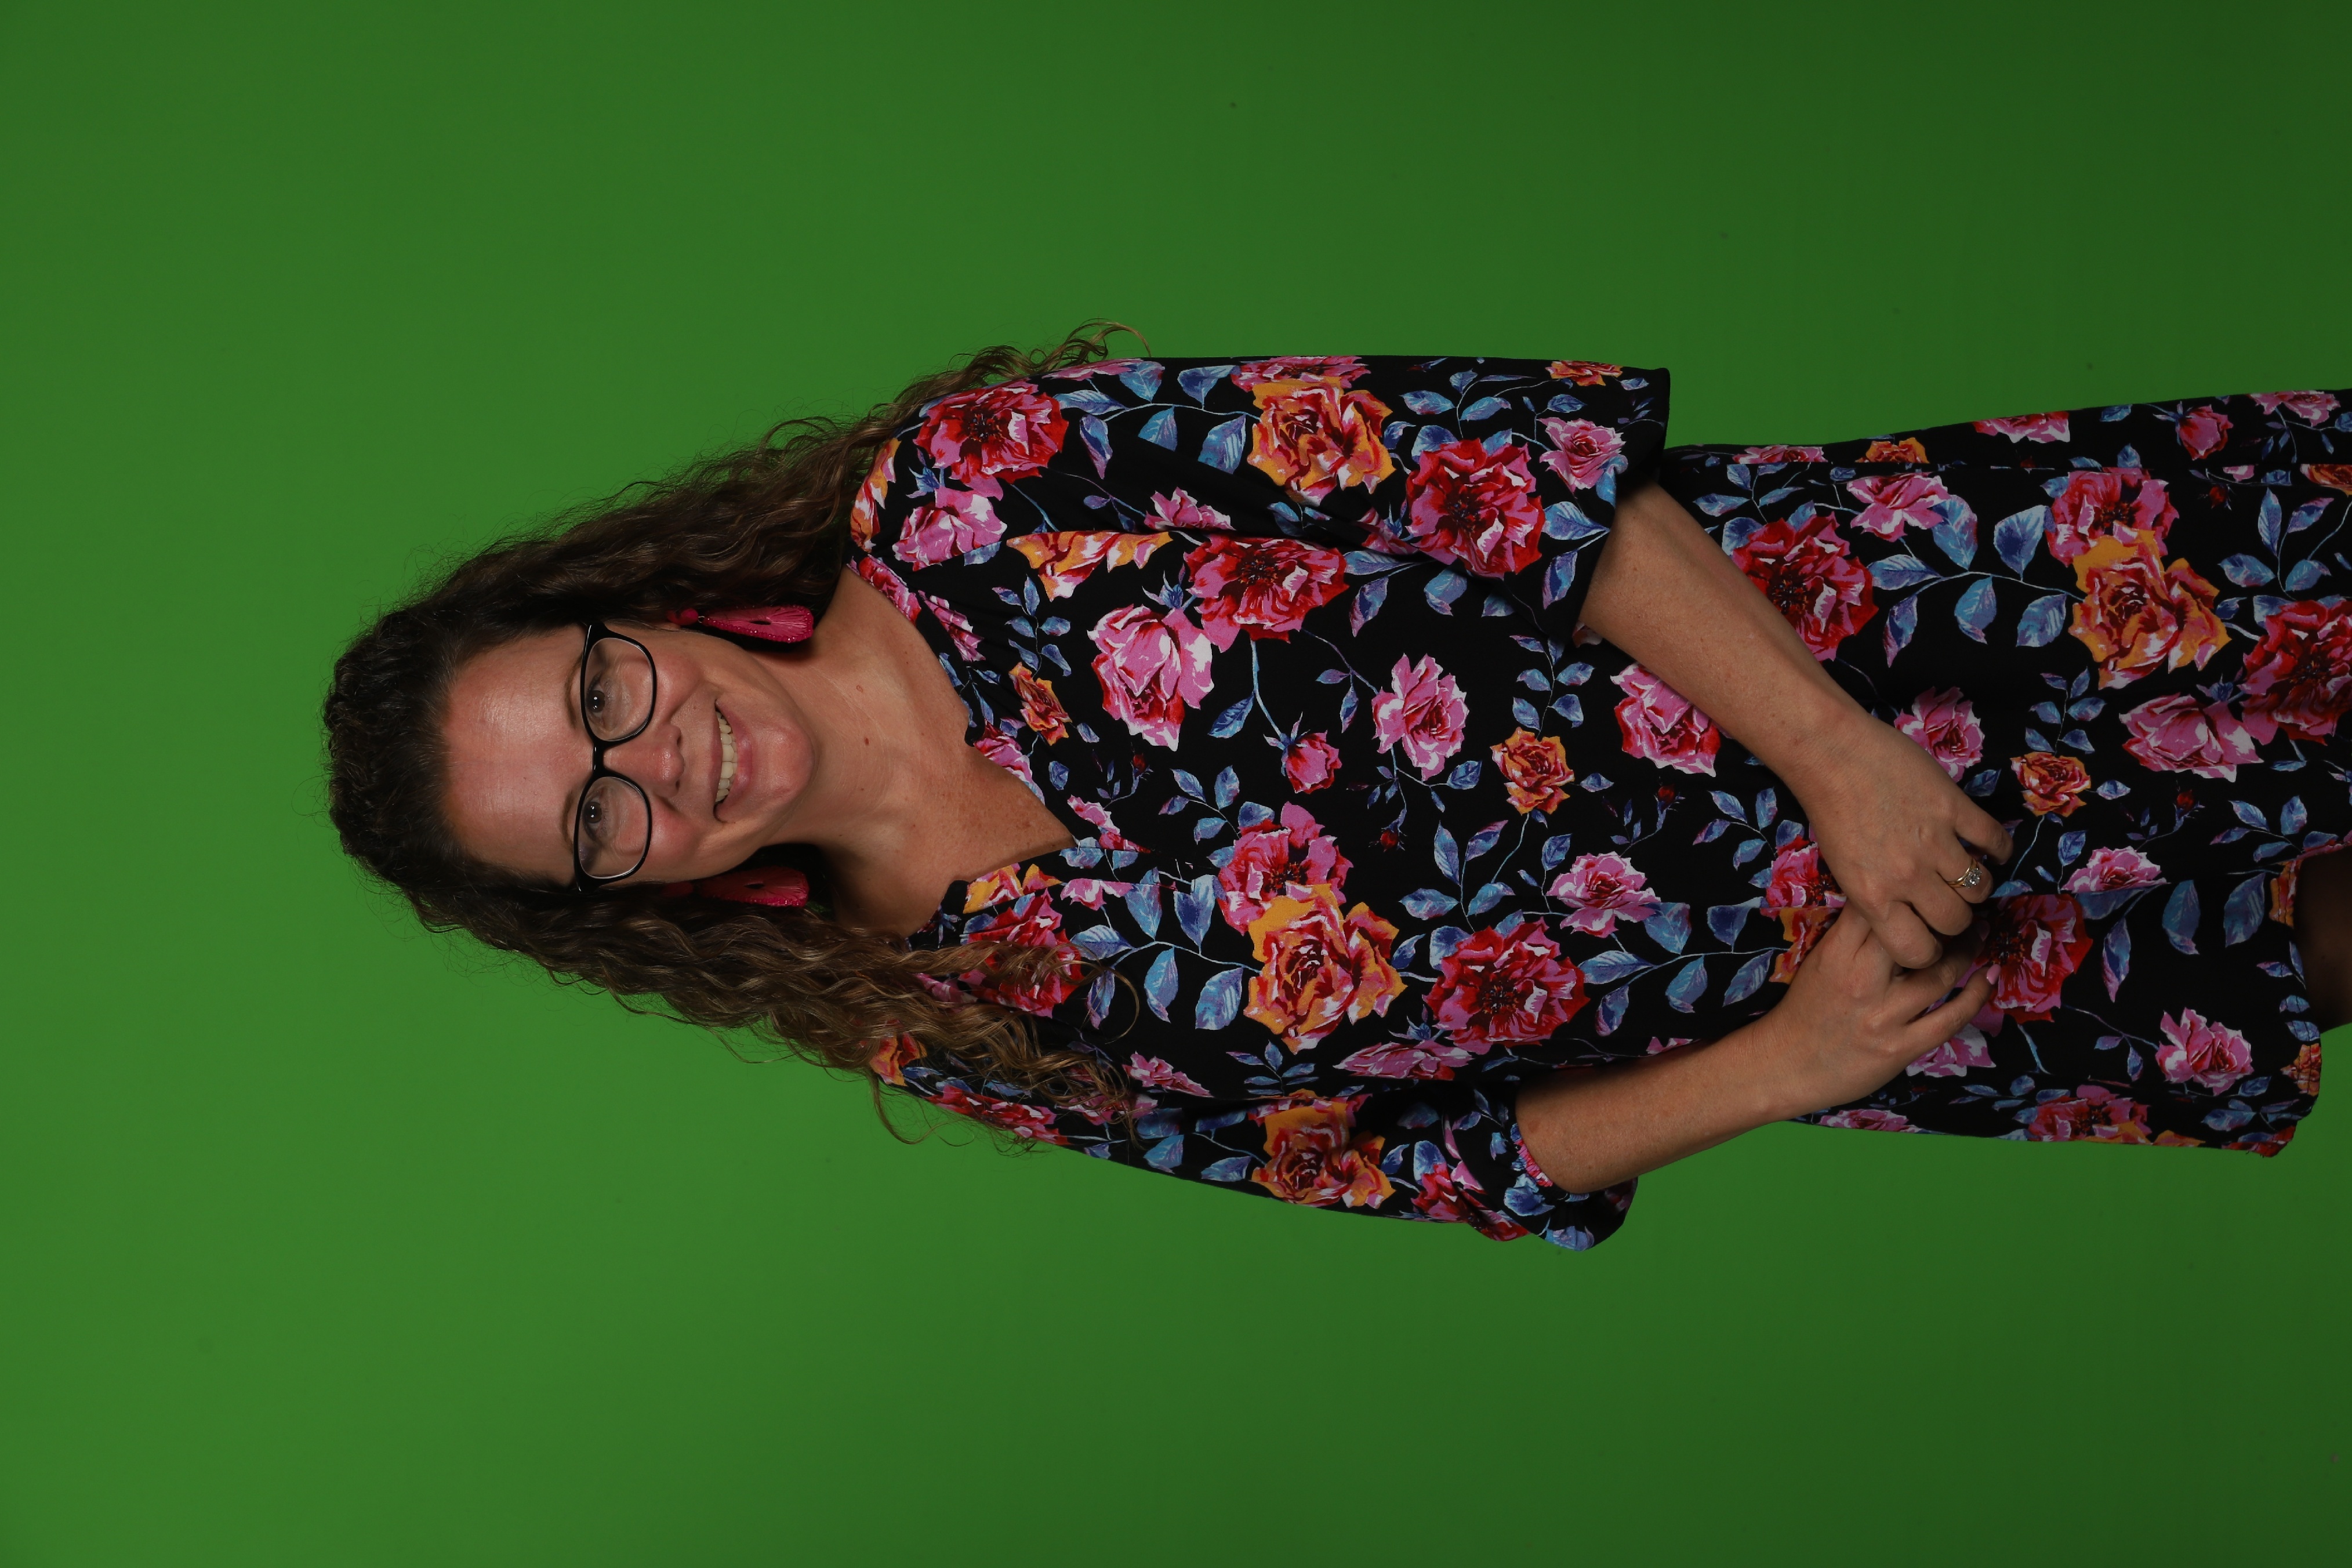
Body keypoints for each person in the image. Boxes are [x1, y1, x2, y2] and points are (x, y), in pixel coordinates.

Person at [325, 328, 2350, 1249]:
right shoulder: (953, 1021)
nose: (657, 760)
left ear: (637, 610)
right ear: (623, 898)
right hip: (1906, 971)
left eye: (599, 695)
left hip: (1917, 636)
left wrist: (1842, 760)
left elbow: (1499, 471)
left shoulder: (977, 492)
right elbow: (1404, 1162)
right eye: (593, 819)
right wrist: (1795, 1063)